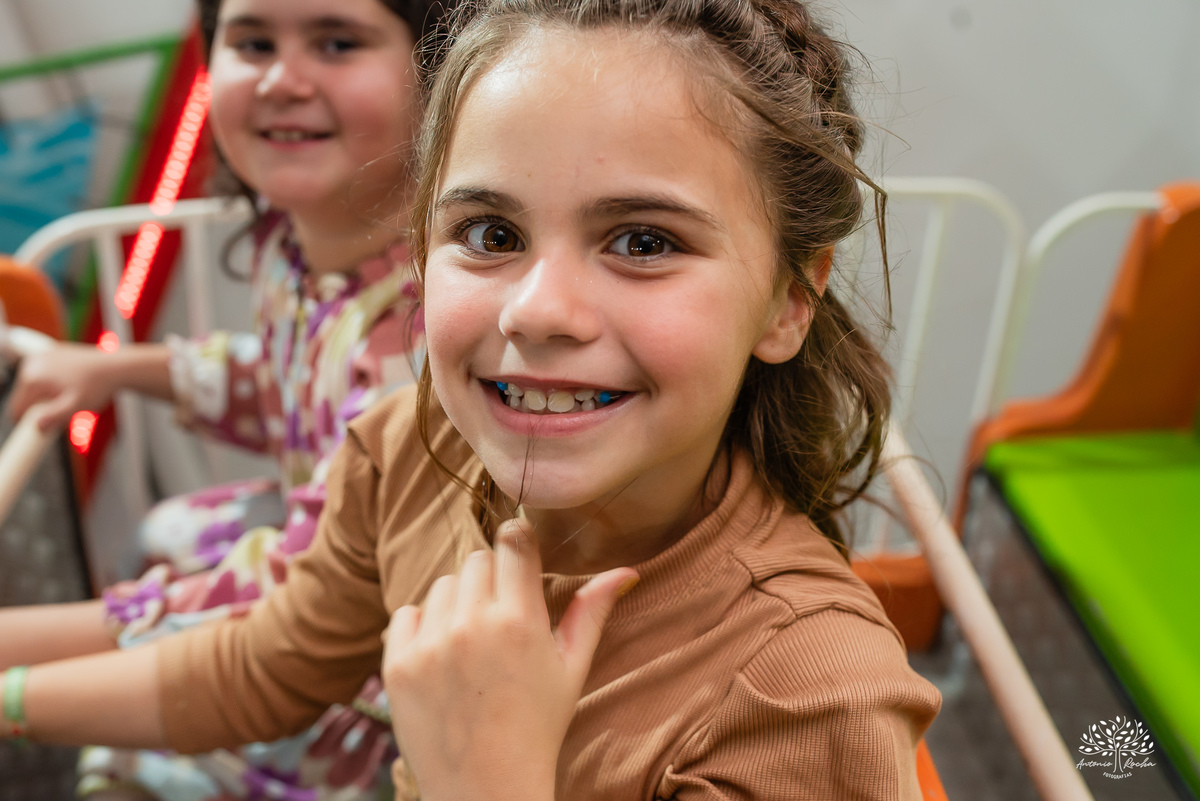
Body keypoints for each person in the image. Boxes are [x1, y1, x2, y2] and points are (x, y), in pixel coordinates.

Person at [1, 0, 942, 797]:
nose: (539, 311)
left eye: (644, 241)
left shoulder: (808, 700)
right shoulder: (409, 446)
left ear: (789, 299)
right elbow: (268, 664)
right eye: (490, 232)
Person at [0, 0, 442, 796]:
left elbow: (294, 614)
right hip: (313, 570)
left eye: (337, 42)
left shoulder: (415, 343)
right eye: (252, 41)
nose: (281, 78)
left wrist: (23, 649)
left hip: (373, 690)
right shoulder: (296, 250)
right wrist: (111, 369)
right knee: (167, 528)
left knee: (122, 762)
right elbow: (278, 378)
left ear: (437, 71)